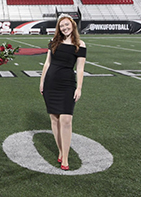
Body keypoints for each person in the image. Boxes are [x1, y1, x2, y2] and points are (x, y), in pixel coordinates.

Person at [39, 14, 86, 171]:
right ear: (59, 28)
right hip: (51, 83)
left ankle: (65, 157)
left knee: (66, 120)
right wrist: (41, 82)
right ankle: (60, 150)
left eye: (67, 25)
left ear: (72, 25)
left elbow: (80, 68)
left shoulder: (80, 44)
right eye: (62, 26)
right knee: (54, 119)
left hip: (67, 84)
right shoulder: (53, 42)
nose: (65, 28)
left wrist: (79, 87)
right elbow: (47, 63)